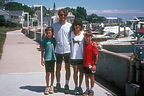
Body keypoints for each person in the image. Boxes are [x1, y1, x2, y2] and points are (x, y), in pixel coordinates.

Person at [52, 9, 72, 94]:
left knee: (67, 68)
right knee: (58, 68)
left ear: (66, 16)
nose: (62, 16)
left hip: (68, 50)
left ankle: (66, 85)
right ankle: (58, 84)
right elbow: (48, 36)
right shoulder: (54, 25)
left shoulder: (70, 26)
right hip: (58, 50)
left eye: (64, 15)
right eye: (60, 15)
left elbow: (76, 35)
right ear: (58, 16)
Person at [70, 18, 84, 95]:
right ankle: (76, 86)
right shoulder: (71, 33)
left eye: (78, 25)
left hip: (81, 56)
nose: (77, 26)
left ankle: (80, 86)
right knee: (75, 72)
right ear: (74, 26)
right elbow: (69, 44)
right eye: (75, 25)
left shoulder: (83, 34)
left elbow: (89, 42)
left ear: (81, 26)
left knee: (81, 72)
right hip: (74, 57)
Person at [41, 27, 56, 95]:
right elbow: (42, 50)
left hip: (53, 58)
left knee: (52, 73)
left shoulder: (54, 40)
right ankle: (47, 86)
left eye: (49, 32)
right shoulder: (44, 40)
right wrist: (42, 59)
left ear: (52, 33)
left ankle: (51, 86)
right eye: (47, 33)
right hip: (47, 59)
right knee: (47, 73)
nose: (48, 34)